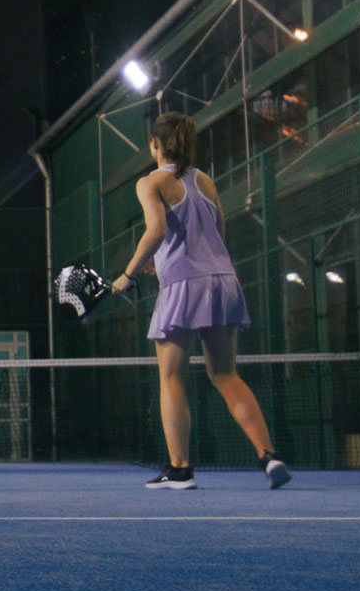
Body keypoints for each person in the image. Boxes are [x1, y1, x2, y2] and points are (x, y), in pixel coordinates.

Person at [112, 112, 290, 491]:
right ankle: (269, 456)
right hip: (224, 280)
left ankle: (179, 470)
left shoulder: (150, 182)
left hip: (184, 286)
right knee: (225, 374)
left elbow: (156, 230)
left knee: (172, 377)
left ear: (155, 145)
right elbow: (216, 232)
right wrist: (162, 264)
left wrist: (128, 274)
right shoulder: (205, 181)